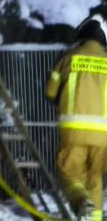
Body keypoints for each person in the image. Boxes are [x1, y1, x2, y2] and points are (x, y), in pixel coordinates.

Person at [47, 13, 107, 221]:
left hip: (74, 131)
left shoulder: (68, 58)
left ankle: (81, 202)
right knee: (95, 178)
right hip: (103, 137)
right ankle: (96, 218)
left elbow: (49, 92)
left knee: (69, 173)